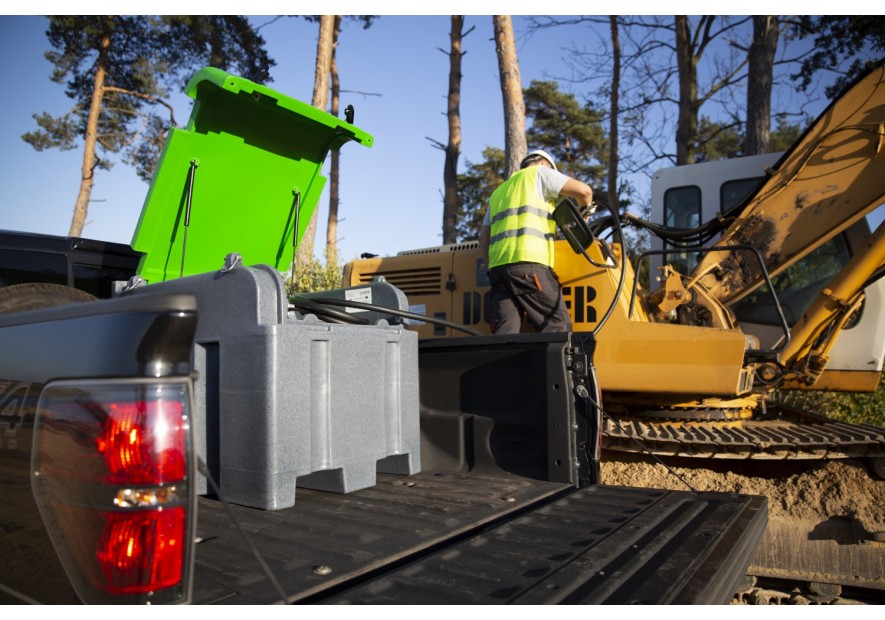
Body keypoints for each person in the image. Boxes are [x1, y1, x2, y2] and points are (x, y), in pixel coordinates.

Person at [478, 150, 594, 334]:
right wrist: (585, 214)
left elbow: (483, 239)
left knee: (505, 334)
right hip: (530, 266)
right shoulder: (541, 174)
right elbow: (585, 191)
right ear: (543, 164)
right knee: (558, 328)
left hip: (498, 271)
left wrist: (491, 267)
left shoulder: (499, 192)